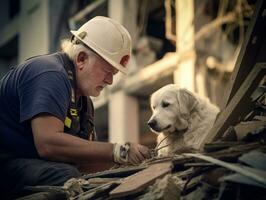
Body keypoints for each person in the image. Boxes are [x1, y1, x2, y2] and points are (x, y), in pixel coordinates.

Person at [0, 16, 151, 198]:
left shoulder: (84, 103)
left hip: (25, 167)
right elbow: (47, 144)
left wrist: (130, 167)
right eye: (107, 71)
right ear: (81, 59)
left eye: (114, 74)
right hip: (5, 164)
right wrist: (119, 151)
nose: (110, 81)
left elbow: (84, 162)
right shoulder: (49, 74)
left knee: (103, 180)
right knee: (67, 178)